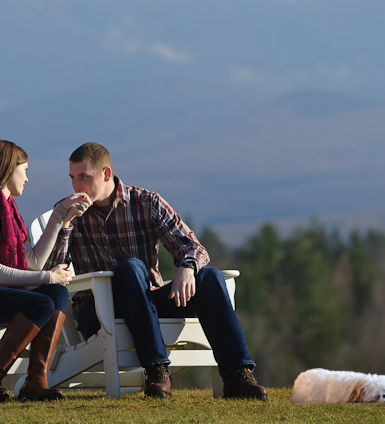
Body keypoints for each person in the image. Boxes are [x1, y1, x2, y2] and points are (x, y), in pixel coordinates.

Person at [48, 142, 268, 400]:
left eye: (84, 177)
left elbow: (193, 248)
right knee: (130, 268)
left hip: (146, 302)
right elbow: (53, 270)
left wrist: (187, 267)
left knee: (208, 277)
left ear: (106, 174)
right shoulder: (68, 214)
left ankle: (237, 376)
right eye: (73, 178)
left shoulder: (146, 202)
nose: (76, 186)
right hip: (98, 311)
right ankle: (156, 369)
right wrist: (64, 223)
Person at [0, 139, 92, 402]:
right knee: (42, 303)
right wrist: (47, 275)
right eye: (25, 170)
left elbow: (31, 261)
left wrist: (59, 216)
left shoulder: (8, 209)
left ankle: (36, 381)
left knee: (55, 293)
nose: (27, 178)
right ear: (8, 169)